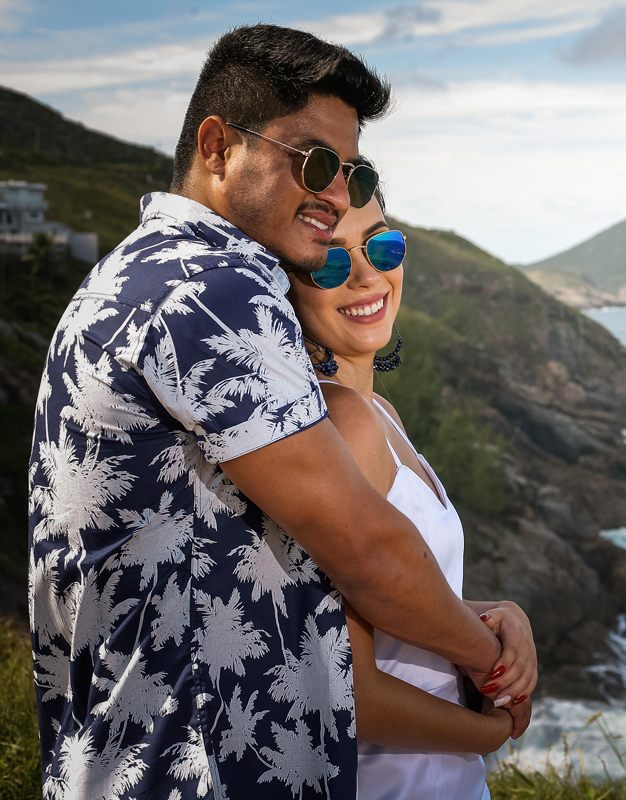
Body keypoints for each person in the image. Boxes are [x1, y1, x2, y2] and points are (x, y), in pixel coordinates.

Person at [28, 24, 533, 800]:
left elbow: (270, 575)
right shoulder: (210, 288)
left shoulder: (132, 275)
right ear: (218, 147)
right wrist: (490, 672)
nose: (335, 194)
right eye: (314, 162)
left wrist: (483, 617)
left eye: (352, 171)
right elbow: (363, 548)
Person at [287, 187, 533, 799]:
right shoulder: (342, 423)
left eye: (382, 247)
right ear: (285, 285)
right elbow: (351, 686)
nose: (368, 277)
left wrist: (499, 617)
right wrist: (492, 731)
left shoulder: (379, 413)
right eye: (331, 261)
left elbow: (391, 607)